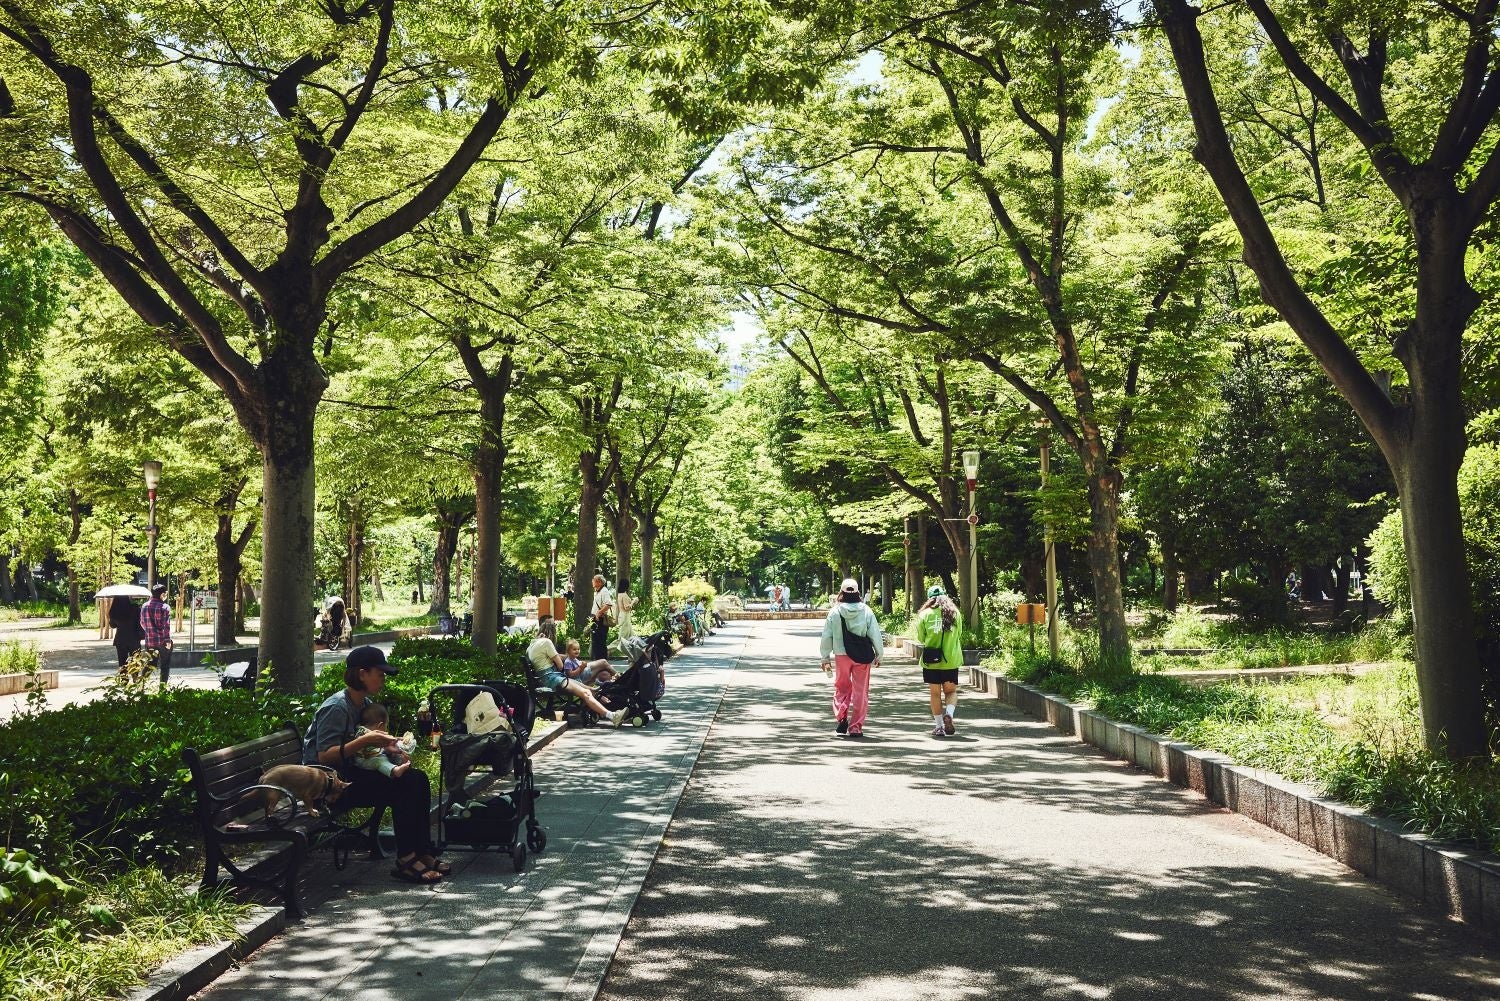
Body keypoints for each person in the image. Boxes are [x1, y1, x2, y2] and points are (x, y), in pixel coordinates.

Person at [301, 645, 449, 884]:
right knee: (404, 785)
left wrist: (391, 749)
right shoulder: (336, 707)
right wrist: (367, 740)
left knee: (418, 779)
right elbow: (324, 757)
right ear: (362, 674)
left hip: (351, 773)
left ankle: (423, 851)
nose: (383, 680)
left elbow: (367, 751)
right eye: (380, 674)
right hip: (329, 786)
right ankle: (406, 859)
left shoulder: (364, 704)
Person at [528, 618, 627, 726]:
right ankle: (612, 716)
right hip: (553, 678)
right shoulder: (546, 642)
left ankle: (605, 707)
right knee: (586, 693)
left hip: (548, 678)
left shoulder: (531, 646)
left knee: (589, 690)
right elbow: (560, 666)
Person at [818, 578, 883, 739]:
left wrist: (825, 658)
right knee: (861, 692)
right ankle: (856, 728)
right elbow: (874, 633)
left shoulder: (835, 612)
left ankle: (841, 717)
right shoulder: (866, 610)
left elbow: (827, 636)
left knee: (841, 687)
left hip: (841, 655)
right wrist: (879, 654)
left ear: (841, 592)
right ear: (858, 592)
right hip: (862, 655)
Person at [915, 585, 963, 736]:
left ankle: (939, 727)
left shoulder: (925, 614)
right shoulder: (955, 613)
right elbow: (959, 634)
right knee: (951, 691)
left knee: (935, 694)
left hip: (931, 661)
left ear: (929, 599)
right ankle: (949, 714)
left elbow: (921, 638)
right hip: (951, 660)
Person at [351, 703, 415, 779]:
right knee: (379, 761)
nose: (386, 730)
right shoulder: (363, 732)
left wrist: (395, 740)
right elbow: (366, 746)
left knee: (385, 757)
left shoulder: (364, 729)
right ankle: (395, 771)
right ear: (380, 725)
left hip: (370, 756)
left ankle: (399, 765)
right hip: (363, 760)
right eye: (386, 726)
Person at [140, 583, 173, 684]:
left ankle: (141, 686)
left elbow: (142, 623)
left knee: (150, 664)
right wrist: (167, 641)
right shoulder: (165, 607)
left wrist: (149, 632)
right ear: (162, 594)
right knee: (165, 665)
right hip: (163, 642)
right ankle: (162, 688)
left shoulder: (144, 606)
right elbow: (166, 626)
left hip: (150, 641)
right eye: (165, 593)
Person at [108, 596, 144, 670]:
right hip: (134, 638)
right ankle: (135, 676)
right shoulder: (135, 608)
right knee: (136, 663)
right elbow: (140, 622)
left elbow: (112, 625)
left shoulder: (114, 610)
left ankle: (123, 677)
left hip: (120, 639)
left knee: (122, 664)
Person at [589, 574, 614, 662]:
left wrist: (598, 613)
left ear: (599, 582)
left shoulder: (604, 591)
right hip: (595, 618)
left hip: (600, 619)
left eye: (594, 579)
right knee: (595, 641)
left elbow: (608, 604)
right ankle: (597, 661)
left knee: (601, 641)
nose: (592, 581)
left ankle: (602, 661)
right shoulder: (597, 591)